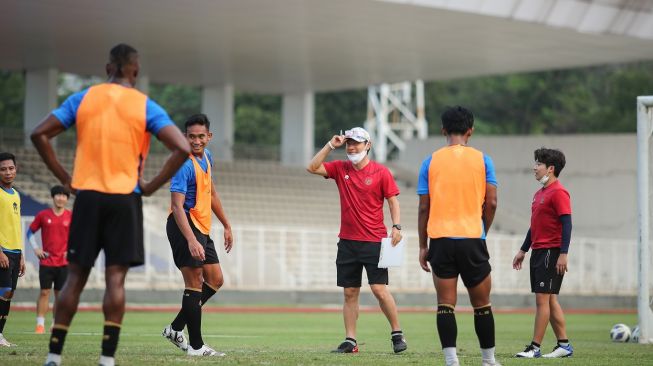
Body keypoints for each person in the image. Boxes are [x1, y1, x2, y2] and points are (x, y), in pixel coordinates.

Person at [31, 43, 190, 366]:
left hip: (88, 196)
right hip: (124, 198)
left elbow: (39, 134)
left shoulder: (83, 98)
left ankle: (53, 356)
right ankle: (106, 359)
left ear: (108, 69)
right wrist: (148, 187)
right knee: (115, 279)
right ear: (135, 71)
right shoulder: (145, 106)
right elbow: (182, 147)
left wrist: (66, 178)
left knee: (75, 277)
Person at [306, 127, 407, 354]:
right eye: (349, 143)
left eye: (357, 143)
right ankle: (350, 341)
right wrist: (331, 145)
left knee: (379, 289)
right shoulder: (340, 169)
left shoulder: (381, 172)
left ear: (367, 145)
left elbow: (393, 201)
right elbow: (311, 167)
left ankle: (397, 333)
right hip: (348, 242)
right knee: (349, 292)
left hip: (374, 241)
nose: (351, 147)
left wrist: (397, 226)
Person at [417, 106, 499, 366]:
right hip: (472, 237)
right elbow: (493, 202)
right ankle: (488, 361)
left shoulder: (430, 161)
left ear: (443, 130)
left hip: (440, 239)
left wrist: (422, 245)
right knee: (482, 304)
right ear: (470, 131)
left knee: (445, 304)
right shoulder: (483, 160)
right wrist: (482, 228)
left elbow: (423, 207)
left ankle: (452, 361)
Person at [161, 113, 233, 357]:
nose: (196, 141)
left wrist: (226, 224)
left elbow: (211, 194)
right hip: (184, 227)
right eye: (191, 136)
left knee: (215, 279)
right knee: (194, 283)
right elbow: (176, 205)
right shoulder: (182, 163)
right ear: (184, 137)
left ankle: (175, 328)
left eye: (201, 136)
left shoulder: (208, 158)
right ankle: (196, 346)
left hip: (202, 227)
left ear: (209, 137)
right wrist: (191, 240)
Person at [512, 148, 573, 358]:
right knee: (551, 300)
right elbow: (534, 225)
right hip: (538, 251)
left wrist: (563, 254)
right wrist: (523, 249)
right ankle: (564, 346)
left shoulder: (559, 192)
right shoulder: (539, 194)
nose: (534, 167)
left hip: (550, 252)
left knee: (542, 301)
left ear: (551, 168)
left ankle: (535, 348)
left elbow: (567, 225)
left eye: (538, 163)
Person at [26, 185, 72, 334]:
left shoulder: (70, 216)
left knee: (60, 294)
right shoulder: (43, 215)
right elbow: (29, 233)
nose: (60, 198)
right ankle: (40, 325)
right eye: (58, 195)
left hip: (64, 263)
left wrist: (70, 251)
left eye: (63, 195)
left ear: (66, 199)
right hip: (47, 262)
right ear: (53, 197)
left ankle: (55, 324)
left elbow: (78, 237)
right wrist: (36, 249)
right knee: (45, 292)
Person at [0, 152, 24, 347]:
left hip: (16, 252)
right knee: (4, 290)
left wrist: (22, 254)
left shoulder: (16, 194)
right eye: (3, 169)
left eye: (11, 168)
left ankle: (0, 335)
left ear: (16, 169)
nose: (8, 172)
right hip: (3, 251)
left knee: (9, 293)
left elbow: (15, 225)